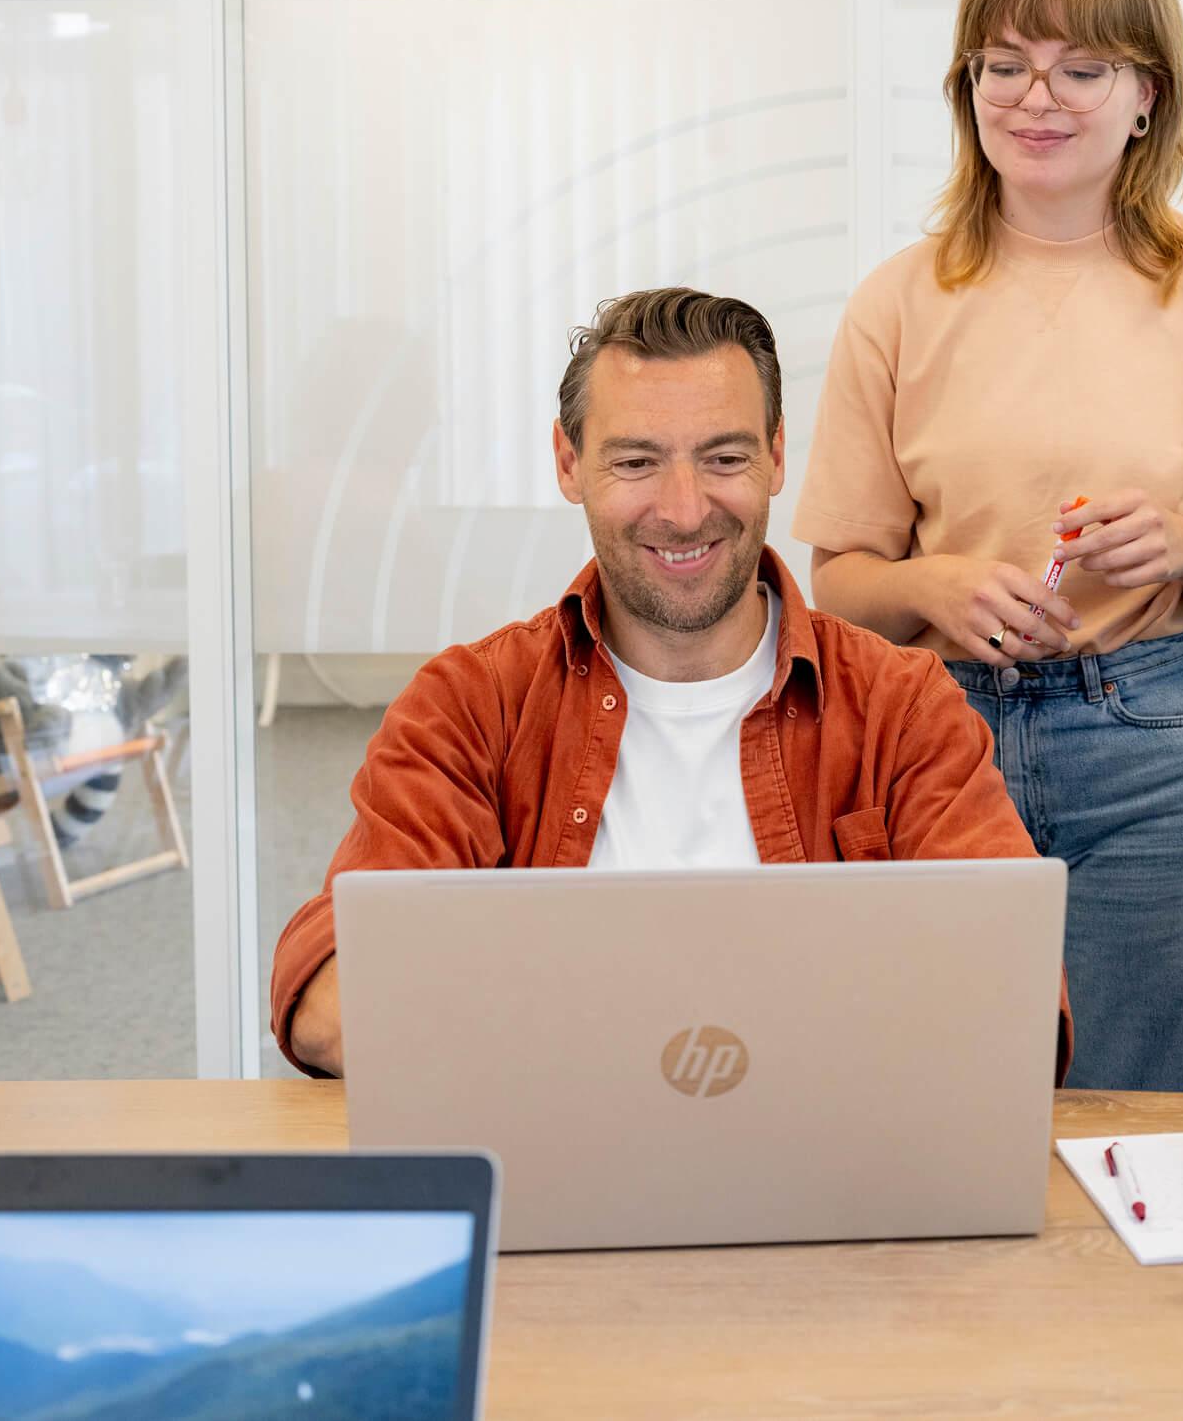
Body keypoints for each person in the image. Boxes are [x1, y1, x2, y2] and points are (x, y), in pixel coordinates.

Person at [795, 0, 1183, 1093]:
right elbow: (840, 582)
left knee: (1148, 1116)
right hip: (937, 739)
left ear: (1147, 97)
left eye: (1081, 67)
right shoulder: (896, 303)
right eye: (1004, 64)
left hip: (1162, 747)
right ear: (967, 87)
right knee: (935, 1104)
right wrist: (934, 586)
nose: (1037, 97)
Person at [272, 288, 1056, 1077]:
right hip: (556, 1187)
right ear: (569, 463)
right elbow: (326, 1009)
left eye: (723, 459)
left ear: (777, 457)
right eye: (637, 463)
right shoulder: (471, 706)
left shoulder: (902, 708)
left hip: (820, 1188)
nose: (683, 512)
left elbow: (1017, 1003)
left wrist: (530, 1009)